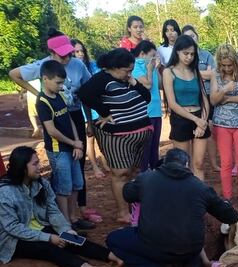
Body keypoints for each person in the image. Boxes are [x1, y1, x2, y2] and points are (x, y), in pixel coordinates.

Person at [106, 148, 238, 267]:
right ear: (187, 165)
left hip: (154, 246)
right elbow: (231, 217)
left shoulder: (147, 178)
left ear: (164, 163)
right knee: (188, 231)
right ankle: (192, 266)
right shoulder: (201, 187)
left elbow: (128, 194)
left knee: (113, 239)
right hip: (191, 248)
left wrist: (137, 183)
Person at [0, 146, 122, 267]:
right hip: (14, 239)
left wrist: (66, 229)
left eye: (38, 162)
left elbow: (53, 211)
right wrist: (49, 237)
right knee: (49, 249)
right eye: (35, 164)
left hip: (40, 227)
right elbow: (13, 228)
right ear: (22, 167)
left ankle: (116, 257)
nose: (39, 166)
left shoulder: (41, 184)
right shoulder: (5, 193)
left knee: (72, 239)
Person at [10, 30, 94, 225]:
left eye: (69, 53)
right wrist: (40, 94)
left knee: (76, 172)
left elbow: (87, 88)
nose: (67, 57)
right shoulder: (43, 67)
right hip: (56, 130)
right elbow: (14, 74)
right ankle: (64, 219)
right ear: (52, 53)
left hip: (71, 114)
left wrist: (84, 131)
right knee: (63, 178)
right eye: (62, 54)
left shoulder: (77, 65)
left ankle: (74, 215)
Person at [77, 48, 152, 224]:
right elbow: (84, 95)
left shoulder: (129, 79)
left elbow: (147, 98)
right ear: (114, 67)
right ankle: (122, 213)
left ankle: (133, 209)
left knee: (132, 172)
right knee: (120, 173)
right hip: (117, 136)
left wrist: (134, 81)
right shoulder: (102, 78)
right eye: (127, 70)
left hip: (139, 133)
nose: (129, 74)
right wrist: (104, 112)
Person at [35, 60, 86, 229]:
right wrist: (74, 142)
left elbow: (69, 119)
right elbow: (52, 131)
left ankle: (72, 217)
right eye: (58, 82)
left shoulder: (59, 95)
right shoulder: (42, 102)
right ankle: (65, 222)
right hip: (58, 150)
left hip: (71, 147)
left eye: (62, 82)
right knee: (64, 187)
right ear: (45, 79)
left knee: (77, 183)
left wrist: (77, 143)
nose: (61, 86)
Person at [162, 34, 211, 181]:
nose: (189, 57)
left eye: (192, 54)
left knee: (199, 163)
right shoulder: (168, 72)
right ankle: (185, 199)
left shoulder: (195, 71)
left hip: (199, 116)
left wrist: (202, 121)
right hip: (180, 119)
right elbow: (172, 104)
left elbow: (204, 99)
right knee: (183, 165)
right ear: (177, 51)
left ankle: (199, 198)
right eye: (185, 53)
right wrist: (197, 120)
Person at [210, 44, 238, 209]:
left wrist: (227, 98)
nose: (227, 68)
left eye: (229, 65)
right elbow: (213, 100)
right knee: (226, 162)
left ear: (235, 62)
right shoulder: (215, 75)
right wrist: (226, 89)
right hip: (221, 124)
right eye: (223, 65)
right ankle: (227, 197)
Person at [182, 25, 219, 173]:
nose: (191, 39)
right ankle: (189, 165)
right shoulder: (181, 59)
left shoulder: (206, 55)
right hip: (187, 100)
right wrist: (203, 73)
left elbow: (213, 74)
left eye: (193, 36)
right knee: (188, 135)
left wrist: (194, 72)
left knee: (207, 128)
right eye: (187, 36)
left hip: (207, 95)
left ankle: (214, 163)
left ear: (197, 37)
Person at [72, 39, 108, 183]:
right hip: (83, 109)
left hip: (97, 107)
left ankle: (105, 162)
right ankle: (94, 166)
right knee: (90, 138)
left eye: (82, 51)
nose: (80, 54)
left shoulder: (92, 66)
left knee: (103, 137)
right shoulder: (72, 70)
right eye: (76, 51)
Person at [131, 41, 162, 174]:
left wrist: (157, 69)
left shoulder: (151, 66)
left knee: (155, 146)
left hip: (156, 111)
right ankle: (144, 175)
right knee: (146, 147)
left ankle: (155, 173)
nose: (154, 58)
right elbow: (147, 86)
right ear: (142, 54)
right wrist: (150, 70)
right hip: (145, 112)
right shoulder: (136, 67)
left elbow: (160, 85)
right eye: (152, 55)